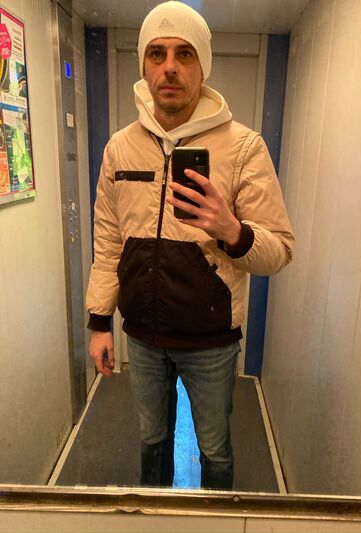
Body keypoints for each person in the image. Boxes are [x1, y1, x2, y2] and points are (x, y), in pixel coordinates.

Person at [86, 0, 294, 490]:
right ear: (143, 65)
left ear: (203, 66)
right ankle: (155, 520)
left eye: (184, 54)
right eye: (156, 54)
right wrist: (99, 322)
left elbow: (279, 250)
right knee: (152, 442)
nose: (170, 67)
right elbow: (108, 240)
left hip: (211, 342)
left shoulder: (244, 147)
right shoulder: (120, 147)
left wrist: (232, 231)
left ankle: (215, 521)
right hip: (142, 337)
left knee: (215, 451)